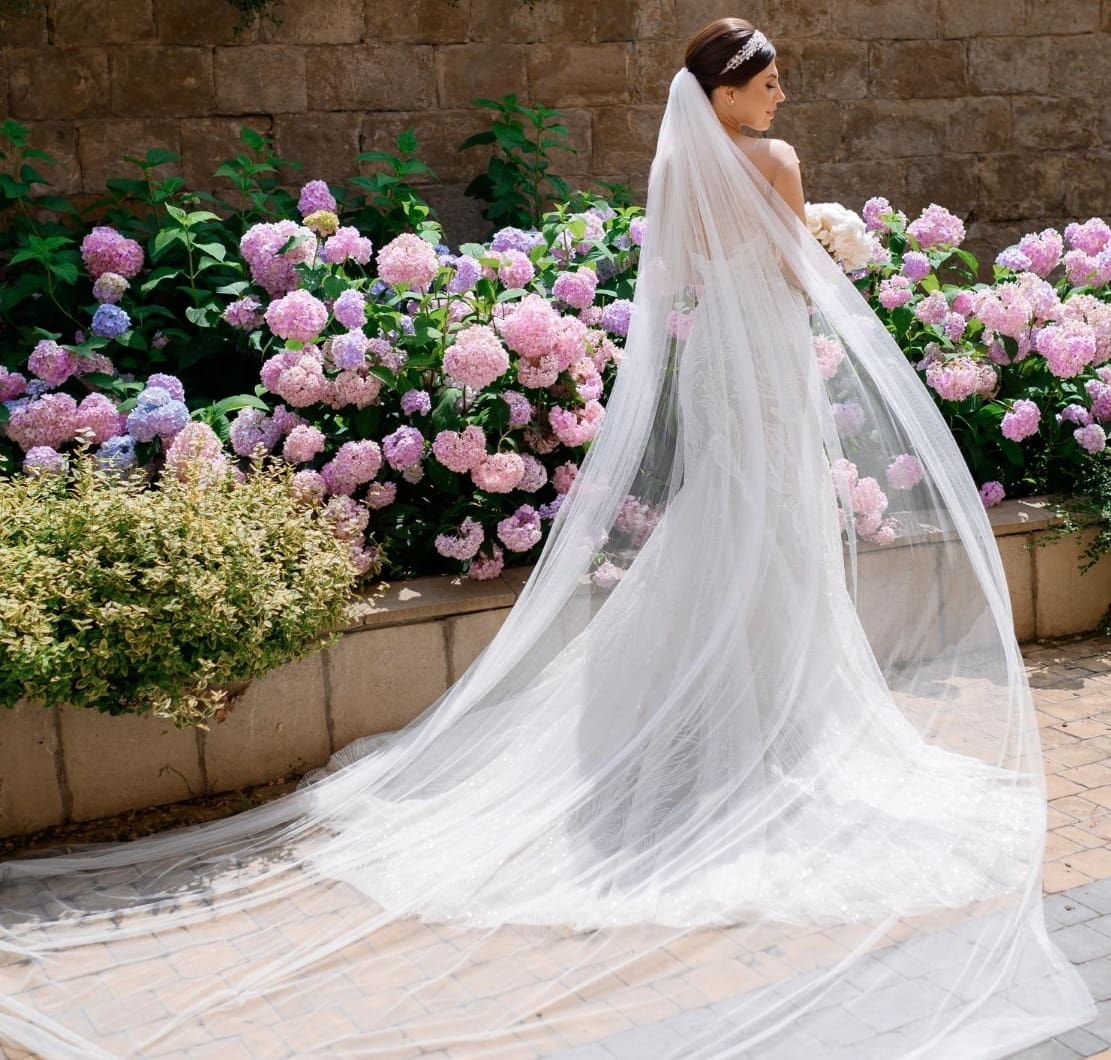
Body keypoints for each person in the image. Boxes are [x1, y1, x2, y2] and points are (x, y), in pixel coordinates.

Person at [0, 18, 1098, 1059]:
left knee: (727, 519)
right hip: (761, 358)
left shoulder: (675, 170)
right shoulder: (772, 159)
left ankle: (705, 718)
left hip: (715, 358)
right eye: (765, 79)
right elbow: (785, 272)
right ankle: (764, 731)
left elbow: (674, 281)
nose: (780, 93)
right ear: (724, 92)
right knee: (768, 528)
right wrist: (830, 240)